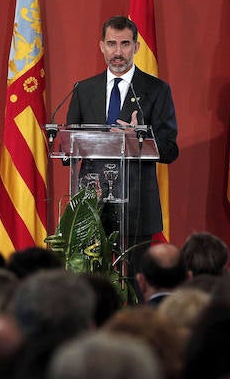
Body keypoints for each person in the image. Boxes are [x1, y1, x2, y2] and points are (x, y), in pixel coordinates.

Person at [65, 15, 179, 260]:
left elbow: (170, 150)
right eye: (112, 44)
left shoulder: (156, 90)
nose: (118, 52)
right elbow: (69, 148)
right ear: (102, 46)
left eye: (125, 44)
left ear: (136, 47)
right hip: (91, 207)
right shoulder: (83, 90)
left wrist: (139, 137)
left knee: (135, 288)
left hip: (136, 207)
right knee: (94, 288)